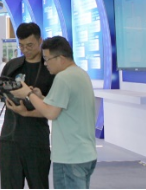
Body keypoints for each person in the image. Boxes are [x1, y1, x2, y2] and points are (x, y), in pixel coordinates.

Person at [0, 22, 55, 189]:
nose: (25, 50)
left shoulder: (49, 69)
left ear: (40, 41)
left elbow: (54, 110)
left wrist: (30, 107)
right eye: (21, 45)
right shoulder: (12, 66)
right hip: (9, 140)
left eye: (30, 45)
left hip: (36, 141)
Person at [7, 36, 97, 190]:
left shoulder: (63, 78)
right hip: (85, 154)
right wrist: (39, 98)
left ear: (61, 58)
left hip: (69, 157)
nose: (45, 64)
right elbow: (58, 106)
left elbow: (50, 113)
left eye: (47, 59)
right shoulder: (80, 74)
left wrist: (28, 94)